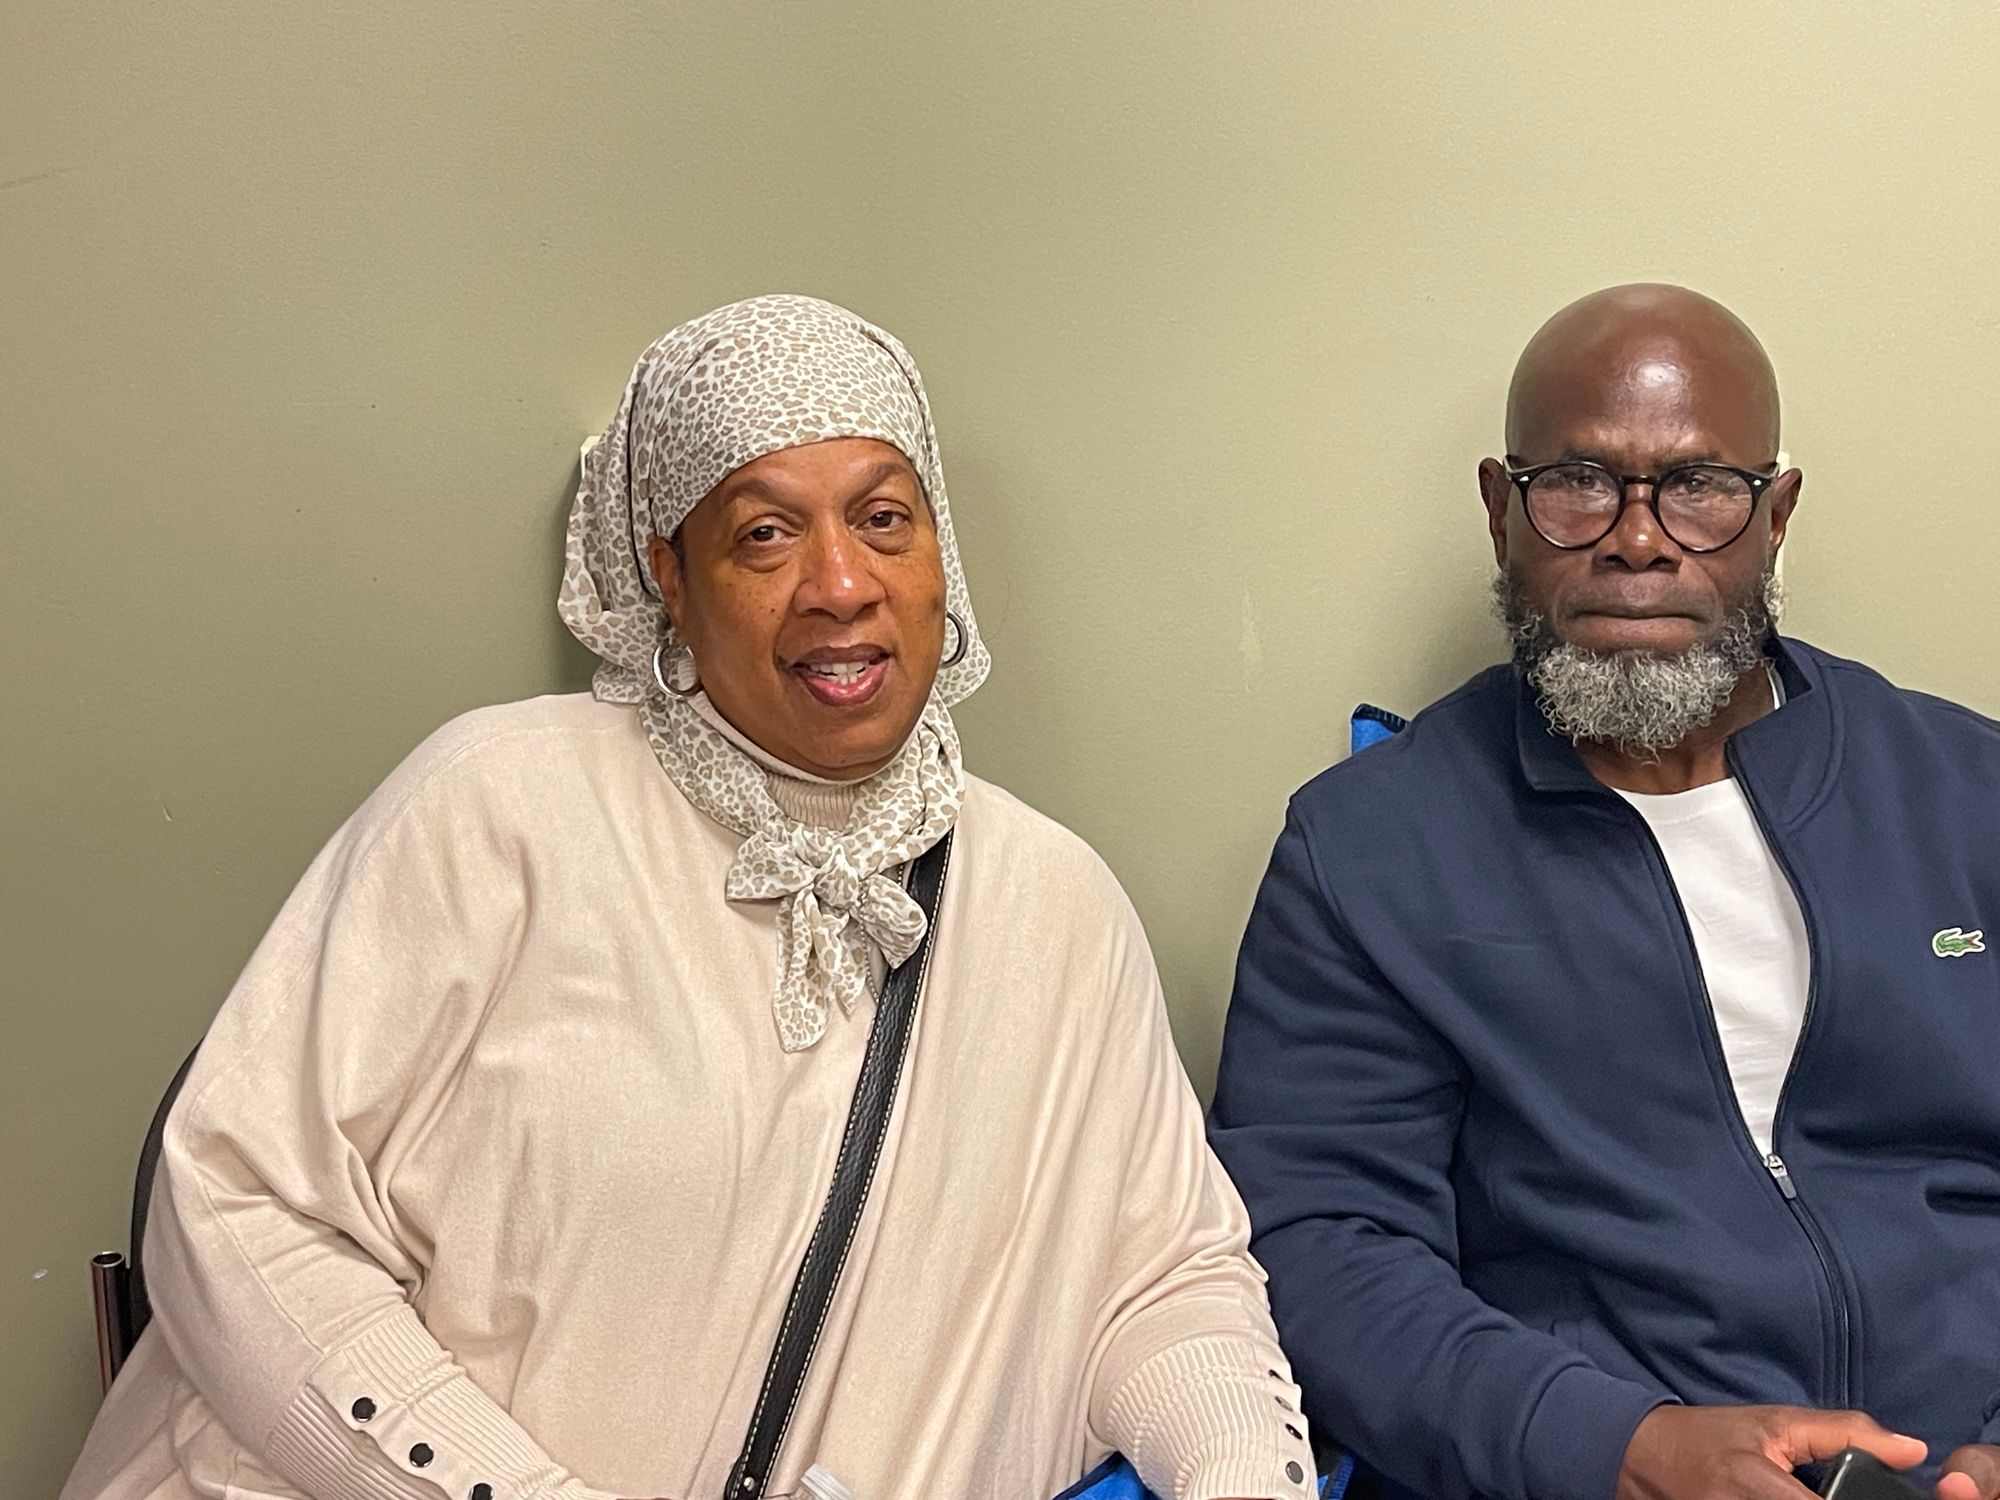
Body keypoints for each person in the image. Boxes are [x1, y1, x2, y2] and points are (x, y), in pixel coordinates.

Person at [64, 295, 1313, 1500]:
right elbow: (237, 1204)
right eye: (764, 535)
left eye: (883, 518)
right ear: (668, 572)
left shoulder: (1054, 904)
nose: (840, 583)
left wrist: (1242, 1475)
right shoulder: (497, 809)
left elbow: (1162, 1282)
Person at [1208, 284, 2000, 1500]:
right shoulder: (1366, 851)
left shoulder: (1963, 792)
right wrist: (1617, 1451)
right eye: (1577, 482)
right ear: (1498, 511)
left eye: (1699, 486)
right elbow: (1323, 1246)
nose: (1637, 539)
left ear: (1774, 516)